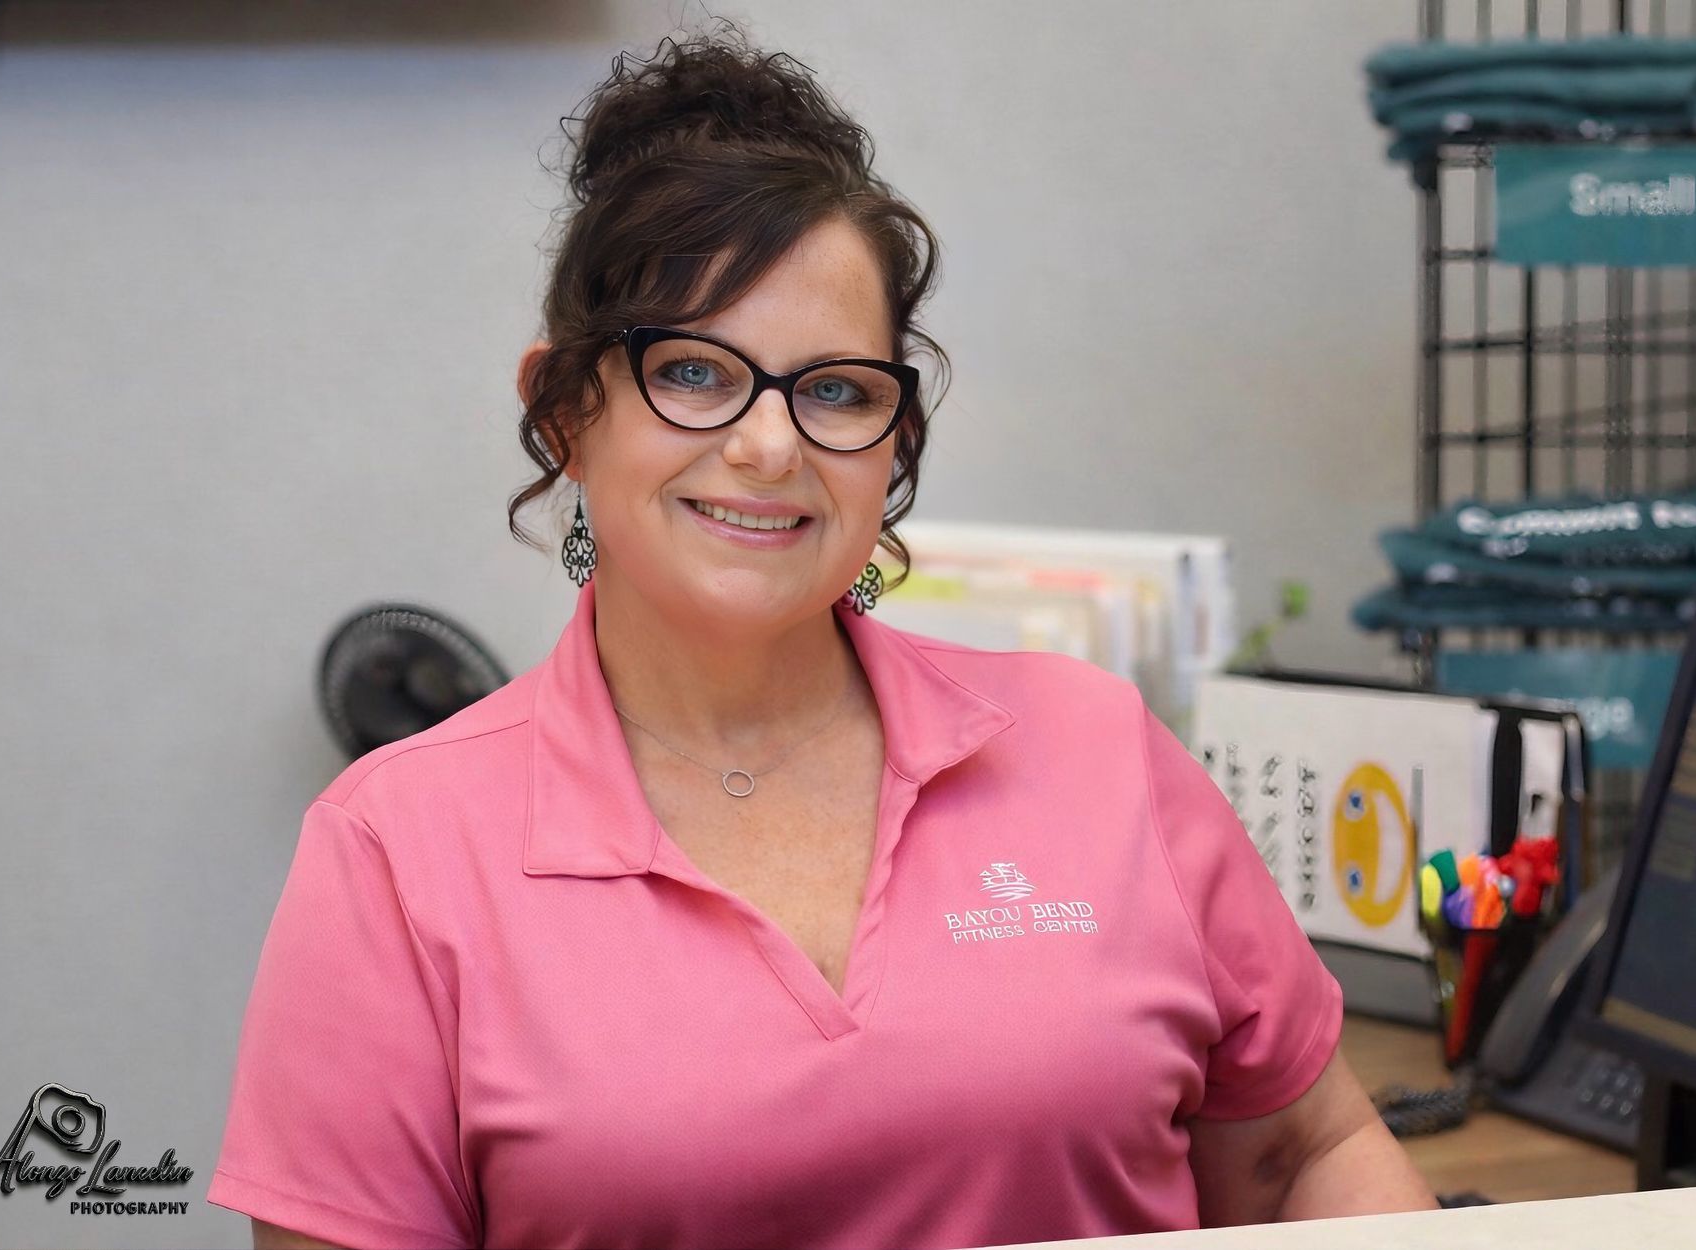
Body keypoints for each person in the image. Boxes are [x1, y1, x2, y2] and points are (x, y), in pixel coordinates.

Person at [207, 27, 1439, 1250]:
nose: (769, 445)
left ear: (895, 443)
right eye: (693, 371)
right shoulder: (397, 850)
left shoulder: (1096, 747)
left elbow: (1296, 1155)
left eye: (838, 389)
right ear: (565, 410)